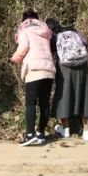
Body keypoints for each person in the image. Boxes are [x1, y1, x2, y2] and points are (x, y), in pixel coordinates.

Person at [10, 10, 56, 146]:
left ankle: (30, 134)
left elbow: (23, 47)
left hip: (34, 70)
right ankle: (41, 133)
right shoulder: (46, 32)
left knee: (30, 103)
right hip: (48, 71)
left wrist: (14, 58)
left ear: (24, 20)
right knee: (44, 103)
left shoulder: (25, 31)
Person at [48, 17, 88, 142]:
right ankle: (87, 131)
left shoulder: (55, 37)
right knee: (84, 97)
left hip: (65, 68)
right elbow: (86, 45)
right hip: (82, 67)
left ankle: (65, 129)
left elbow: (51, 51)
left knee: (64, 96)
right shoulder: (78, 34)